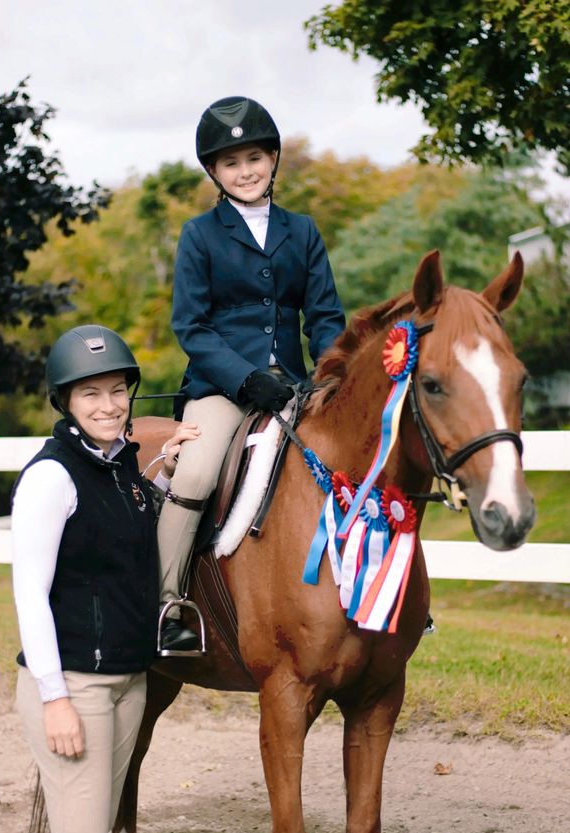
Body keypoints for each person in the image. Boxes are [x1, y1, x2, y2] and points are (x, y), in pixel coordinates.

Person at [11, 324, 198, 833]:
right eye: (90, 393)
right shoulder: (51, 477)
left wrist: (165, 465)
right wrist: (55, 698)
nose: (109, 405)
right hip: (76, 687)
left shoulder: (123, 468)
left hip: (128, 683)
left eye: (118, 391)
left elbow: (135, 523)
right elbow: (29, 595)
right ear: (65, 401)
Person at [157, 95, 345, 651]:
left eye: (255, 158)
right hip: (223, 389)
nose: (246, 171)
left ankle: (376, 602)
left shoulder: (303, 230)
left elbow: (326, 317)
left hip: (294, 384)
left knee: (353, 461)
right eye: (232, 163)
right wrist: (245, 379)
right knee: (192, 476)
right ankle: (167, 604)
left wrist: (330, 378)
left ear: (273, 160)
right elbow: (190, 327)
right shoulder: (200, 235)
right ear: (215, 172)